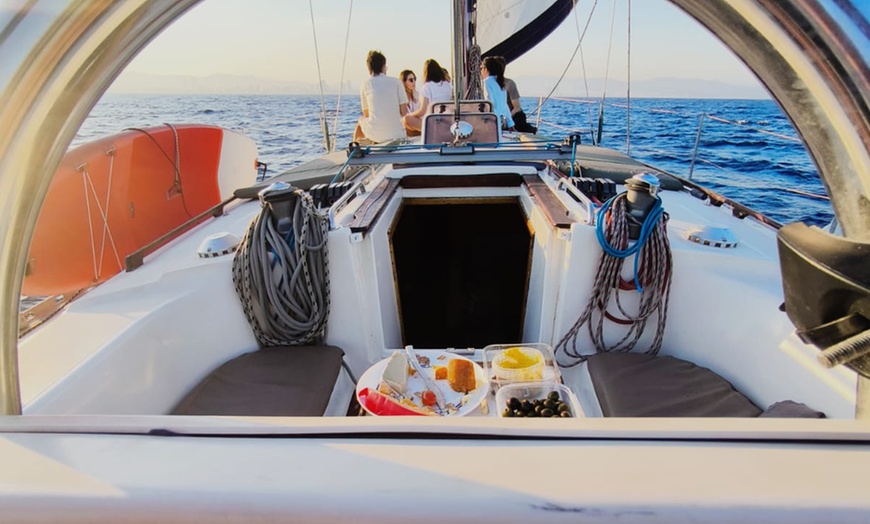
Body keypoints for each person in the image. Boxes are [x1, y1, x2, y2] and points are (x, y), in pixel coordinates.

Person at [354, 50, 407, 143]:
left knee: (361, 120)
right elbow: (404, 112)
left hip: (376, 136)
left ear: (369, 68)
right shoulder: (396, 82)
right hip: (397, 134)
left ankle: (355, 149)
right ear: (383, 66)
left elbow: (366, 114)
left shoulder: (365, 84)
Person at [402, 59, 453, 135]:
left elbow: (422, 111)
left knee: (406, 120)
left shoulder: (427, 87)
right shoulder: (447, 85)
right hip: (447, 122)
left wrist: (409, 115)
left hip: (433, 124)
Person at [495, 56, 537, 134]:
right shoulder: (488, 84)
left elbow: (516, 107)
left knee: (519, 120)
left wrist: (507, 119)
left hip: (512, 116)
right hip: (496, 116)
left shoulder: (509, 84)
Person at [480, 56, 514, 131]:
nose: (481, 71)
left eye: (481, 68)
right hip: (503, 122)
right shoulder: (500, 83)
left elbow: (489, 103)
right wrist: (510, 123)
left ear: (485, 69)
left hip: (494, 122)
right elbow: (505, 105)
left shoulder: (487, 82)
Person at [399, 69, 420, 135]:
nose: (414, 82)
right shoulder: (399, 98)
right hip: (405, 128)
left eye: (415, 79)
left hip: (415, 126)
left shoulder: (417, 96)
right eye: (411, 80)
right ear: (404, 82)